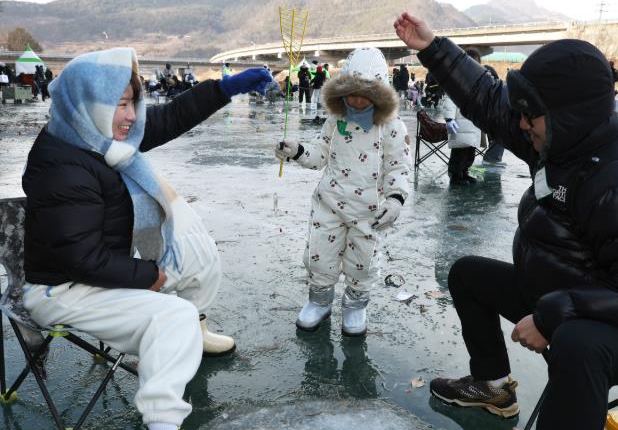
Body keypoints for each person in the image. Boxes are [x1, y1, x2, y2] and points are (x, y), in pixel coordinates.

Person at [394, 13, 618, 429]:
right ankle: (492, 387)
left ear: (570, 115)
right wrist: (433, 48)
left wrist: (551, 318)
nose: (521, 122)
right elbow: (489, 101)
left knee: (577, 344)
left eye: (531, 113)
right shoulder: (557, 146)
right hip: (561, 298)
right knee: (467, 274)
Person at [21, 48, 272, 430]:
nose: (131, 116)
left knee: (196, 257)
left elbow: (167, 118)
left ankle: (194, 335)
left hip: (97, 271)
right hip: (63, 289)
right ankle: (163, 419)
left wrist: (225, 88)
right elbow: (80, 259)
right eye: (120, 104)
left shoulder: (94, 135)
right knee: (173, 317)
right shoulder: (63, 164)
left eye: (132, 103)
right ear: (89, 103)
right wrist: (148, 274)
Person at [275, 47, 411, 337]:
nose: (357, 101)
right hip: (329, 204)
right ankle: (319, 301)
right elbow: (319, 155)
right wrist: (297, 150)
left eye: (366, 94)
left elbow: (397, 167)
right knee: (319, 256)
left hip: (369, 212)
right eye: (351, 93)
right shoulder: (334, 121)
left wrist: (395, 199)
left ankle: (355, 305)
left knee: (362, 263)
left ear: (380, 95)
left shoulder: (392, 127)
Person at [443, 88, 481, 185]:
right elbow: (449, 99)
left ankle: (464, 172)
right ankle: (455, 175)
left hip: (473, 121)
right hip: (459, 122)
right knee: (459, 151)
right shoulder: (456, 83)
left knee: (470, 151)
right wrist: (449, 118)